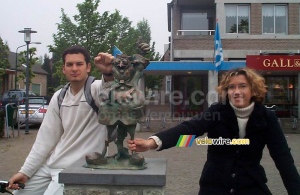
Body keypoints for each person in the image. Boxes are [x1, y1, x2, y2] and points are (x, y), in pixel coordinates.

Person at [128, 67, 300, 195]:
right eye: (231, 87)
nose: (237, 91)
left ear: (253, 89)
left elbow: (283, 159)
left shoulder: (267, 117)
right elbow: (190, 129)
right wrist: (151, 142)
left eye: (242, 86)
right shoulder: (217, 111)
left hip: (251, 185)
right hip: (215, 185)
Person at [8, 45, 114, 195]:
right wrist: (25, 171)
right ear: (63, 69)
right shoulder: (60, 96)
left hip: (78, 168)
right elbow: (45, 138)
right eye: (69, 64)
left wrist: (109, 72)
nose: (74, 68)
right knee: (18, 194)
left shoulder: (96, 89)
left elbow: (112, 94)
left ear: (88, 67)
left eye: (79, 64)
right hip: (52, 164)